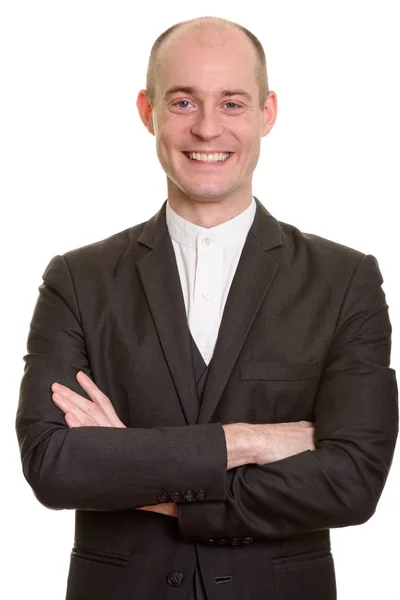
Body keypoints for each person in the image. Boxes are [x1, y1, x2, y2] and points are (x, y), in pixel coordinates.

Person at [16, 16, 398, 600]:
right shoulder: (76, 279)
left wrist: (133, 468)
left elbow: (351, 483)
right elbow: (54, 464)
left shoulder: (345, 280)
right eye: (184, 102)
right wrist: (249, 441)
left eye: (233, 103)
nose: (207, 128)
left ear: (267, 113)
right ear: (148, 111)